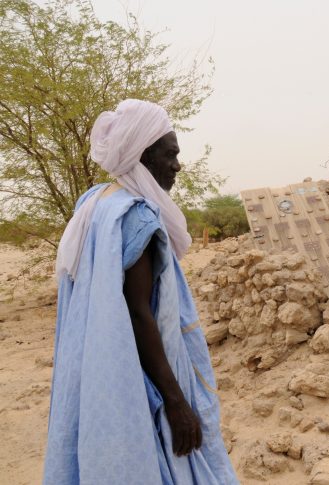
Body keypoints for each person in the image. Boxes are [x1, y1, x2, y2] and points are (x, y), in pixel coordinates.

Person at [44, 99, 238, 484]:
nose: (177, 165)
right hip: (135, 374)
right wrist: (176, 402)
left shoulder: (95, 202)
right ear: (143, 155)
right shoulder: (136, 215)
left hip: (94, 366)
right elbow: (137, 313)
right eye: (170, 154)